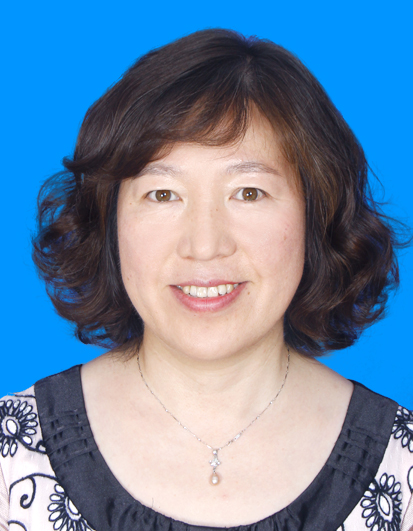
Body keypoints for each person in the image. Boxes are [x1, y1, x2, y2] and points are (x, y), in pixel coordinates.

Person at [0, 28, 412, 531]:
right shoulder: (11, 457)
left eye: (249, 193)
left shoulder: (402, 466)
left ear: (315, 215)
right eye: (163, 195)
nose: (204, 244)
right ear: (109, 222)